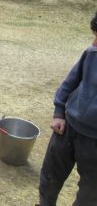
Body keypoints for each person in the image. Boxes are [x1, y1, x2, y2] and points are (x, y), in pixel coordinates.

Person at [38, 12, 97, 206]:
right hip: (67, 127)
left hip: (94, 142)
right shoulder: (91, 54)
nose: (94, 42)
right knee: (50, 175)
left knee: (90, 192)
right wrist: (59, 113)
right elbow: (69, 83)